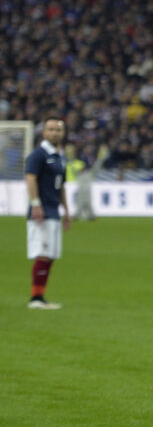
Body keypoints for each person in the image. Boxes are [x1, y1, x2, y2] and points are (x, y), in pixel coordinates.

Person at [25, 117, 71, 310]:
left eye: (58, 130)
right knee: (43, 254)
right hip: (42, 211)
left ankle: (40, 297)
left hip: (54, 211)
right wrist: (36, 204)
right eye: (51, 129)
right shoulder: (38, 155)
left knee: (50, 255)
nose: (54, 133)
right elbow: (30, 179)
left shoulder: (60, 157)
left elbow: (61, 186)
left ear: (63, 133)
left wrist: (66, 210)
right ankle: (35, 299)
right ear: (43, 132)